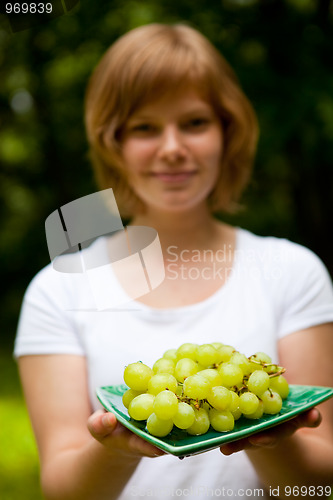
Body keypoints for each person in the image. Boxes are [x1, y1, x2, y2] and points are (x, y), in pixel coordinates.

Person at [15, 23, 333, 500]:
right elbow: (63, 491)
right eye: (144, 127)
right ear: (112, 143)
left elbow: (318, 487)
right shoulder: (59, 289)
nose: (171, 148)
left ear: (228, 132)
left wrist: (268, 441)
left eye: (194, 122)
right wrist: (119, 448)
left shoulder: (293, 272)